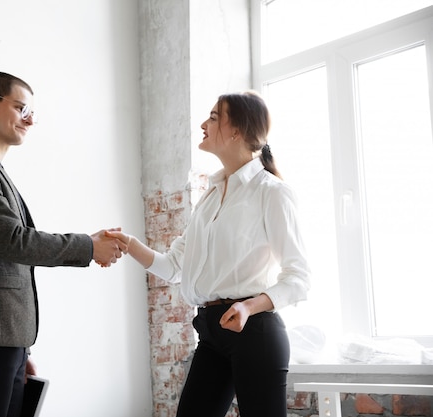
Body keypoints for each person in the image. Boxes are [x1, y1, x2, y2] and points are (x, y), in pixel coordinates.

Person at [0, 71, 126, 417]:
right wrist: (88, 246)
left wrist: (21, 350)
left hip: (5, 341)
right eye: (22, 108)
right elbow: (13, 242)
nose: (31, 119)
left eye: (32, 112)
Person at [107, 91, 311, 417]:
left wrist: (248, 306)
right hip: (212, 333)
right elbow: (174, 267)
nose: (203, 124)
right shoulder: (210, 197)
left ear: (237, 131)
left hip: (254, 331)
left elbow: (299, 279)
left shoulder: (272, 193)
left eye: (214, 117)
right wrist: (129, 244)